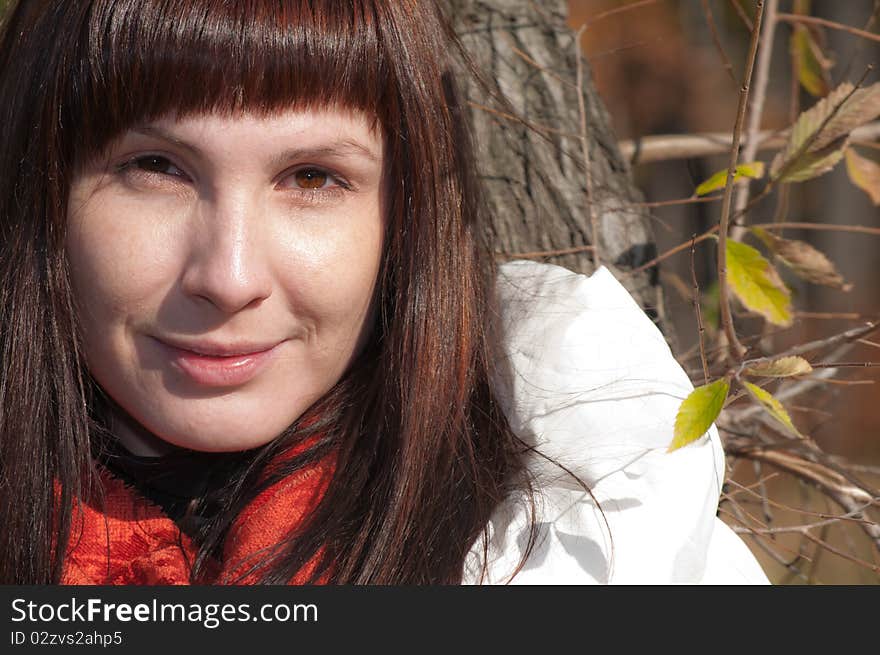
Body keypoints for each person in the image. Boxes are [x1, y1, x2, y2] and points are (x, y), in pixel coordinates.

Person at [0, 0, 768, 585]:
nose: (228, 277)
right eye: (158, 168)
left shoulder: (606, 540)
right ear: (45, 192)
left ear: (404, 220)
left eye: (311, 177)